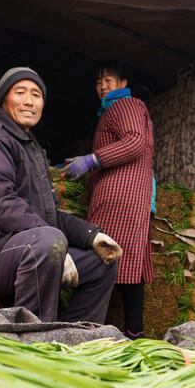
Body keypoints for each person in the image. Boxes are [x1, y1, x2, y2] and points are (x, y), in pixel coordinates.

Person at [0, 66, 122, 323]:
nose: (29, 101)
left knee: (101, 264)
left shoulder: (32, 149)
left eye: (36, 95)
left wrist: (91, 235)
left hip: (19, 248)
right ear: (4, 99)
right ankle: (31, 340)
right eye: (20, 92)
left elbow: (48, 215)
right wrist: (57, 245)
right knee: (47, 242)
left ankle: (74, 338)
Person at [62, 62, 154, 338]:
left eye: (109, 80)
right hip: (122, 194)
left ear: (123, 83)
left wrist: (94, 159)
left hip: (121, 196)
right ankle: (132, 332)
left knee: (106, 255)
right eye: (99, 82)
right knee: (125, 259)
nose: (103, 86)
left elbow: (136, 141)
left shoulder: (124, 106)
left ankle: (88, 329)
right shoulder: (112, 110)